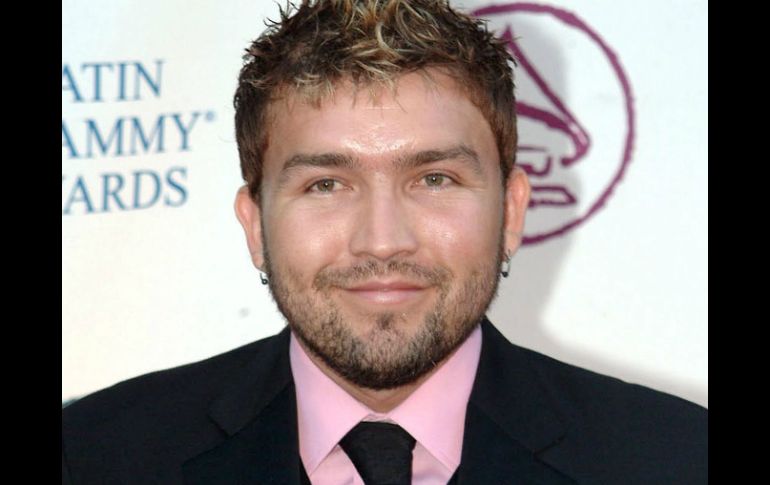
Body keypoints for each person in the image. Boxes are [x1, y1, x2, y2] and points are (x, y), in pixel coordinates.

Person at [61, 1, 707, 483]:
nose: (382, 242)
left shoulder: (676, 459)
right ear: (254, 225)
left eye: (434, 178)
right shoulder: (94, 455)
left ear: (511, 212)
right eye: (325, 185)